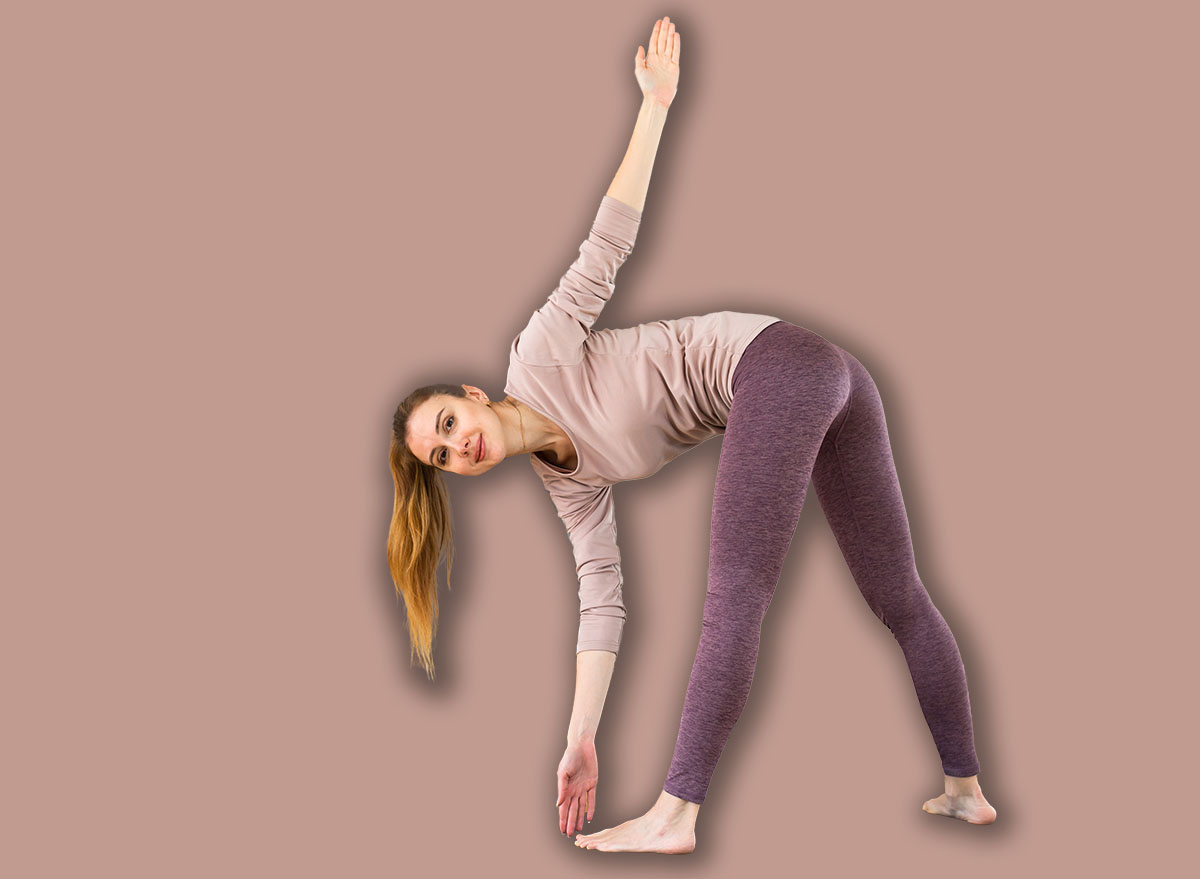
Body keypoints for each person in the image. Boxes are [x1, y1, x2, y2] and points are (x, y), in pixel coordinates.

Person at [387, 16, 996, 854]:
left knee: (734, 593)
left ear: (470, 395)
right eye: (442, 456)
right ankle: (965, 787)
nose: (459, 447)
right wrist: (579, 737)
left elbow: (607, 243)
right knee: (899, 595)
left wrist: (656, 107)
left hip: (777, 368)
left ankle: (676, 811)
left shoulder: (539, 354)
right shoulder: (570, 484)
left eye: (449, 425)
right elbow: (601, 601)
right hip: (832, 379)